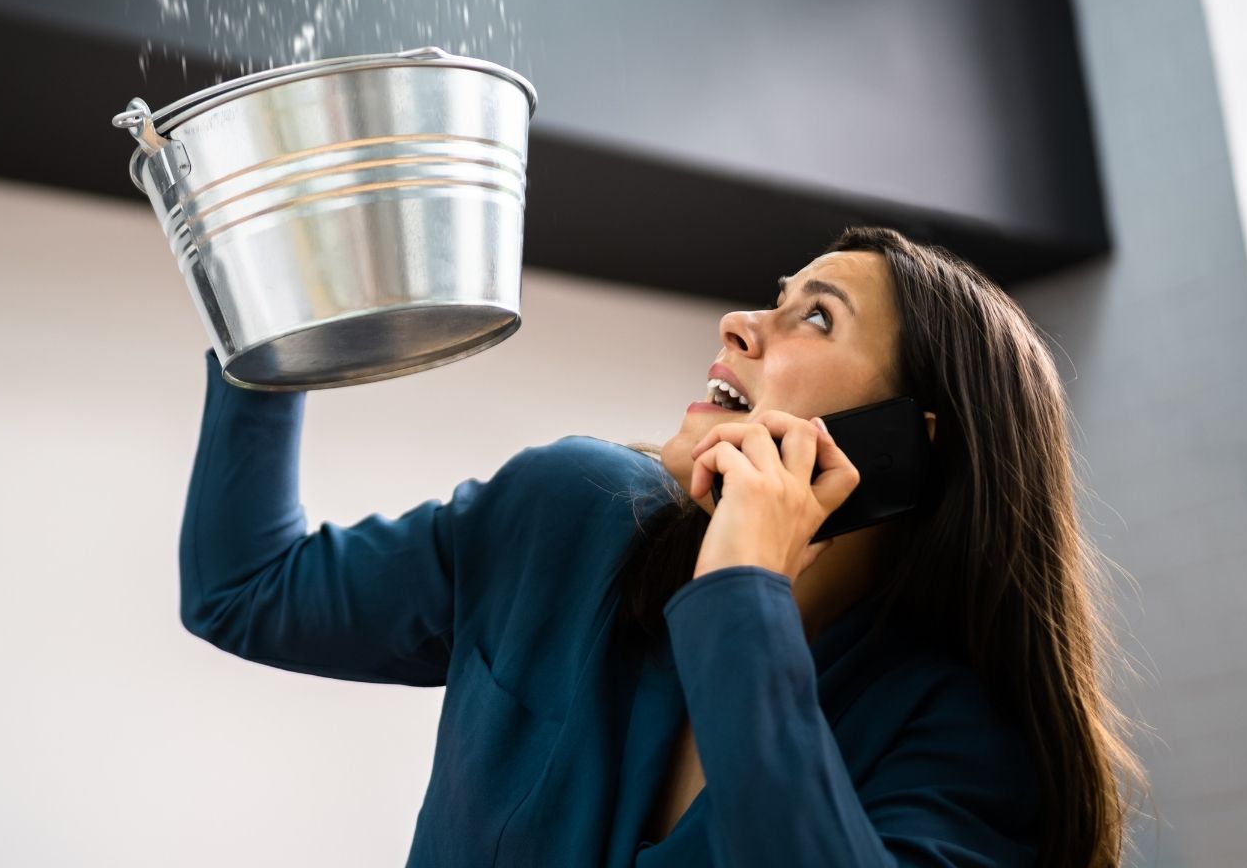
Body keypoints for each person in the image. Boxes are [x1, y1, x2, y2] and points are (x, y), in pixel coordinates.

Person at [179, 224, 1151, 867]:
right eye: (775, 296)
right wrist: (263, 320)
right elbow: (245, 588)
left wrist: (743, 594)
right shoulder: (567, 513)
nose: (740, 322)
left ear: (907, 445)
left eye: (814, 316)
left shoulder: (961, 753)